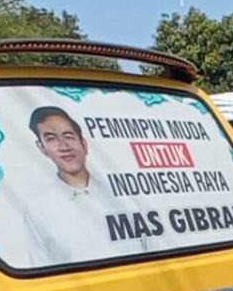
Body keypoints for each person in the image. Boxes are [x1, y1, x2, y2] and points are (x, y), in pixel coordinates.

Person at [11, 106, 147, 268]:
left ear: (84, 144)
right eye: (51, 139)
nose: (64, 146)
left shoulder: (123, 194)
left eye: (69, 136)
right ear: (42, 148)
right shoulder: (38, 210)